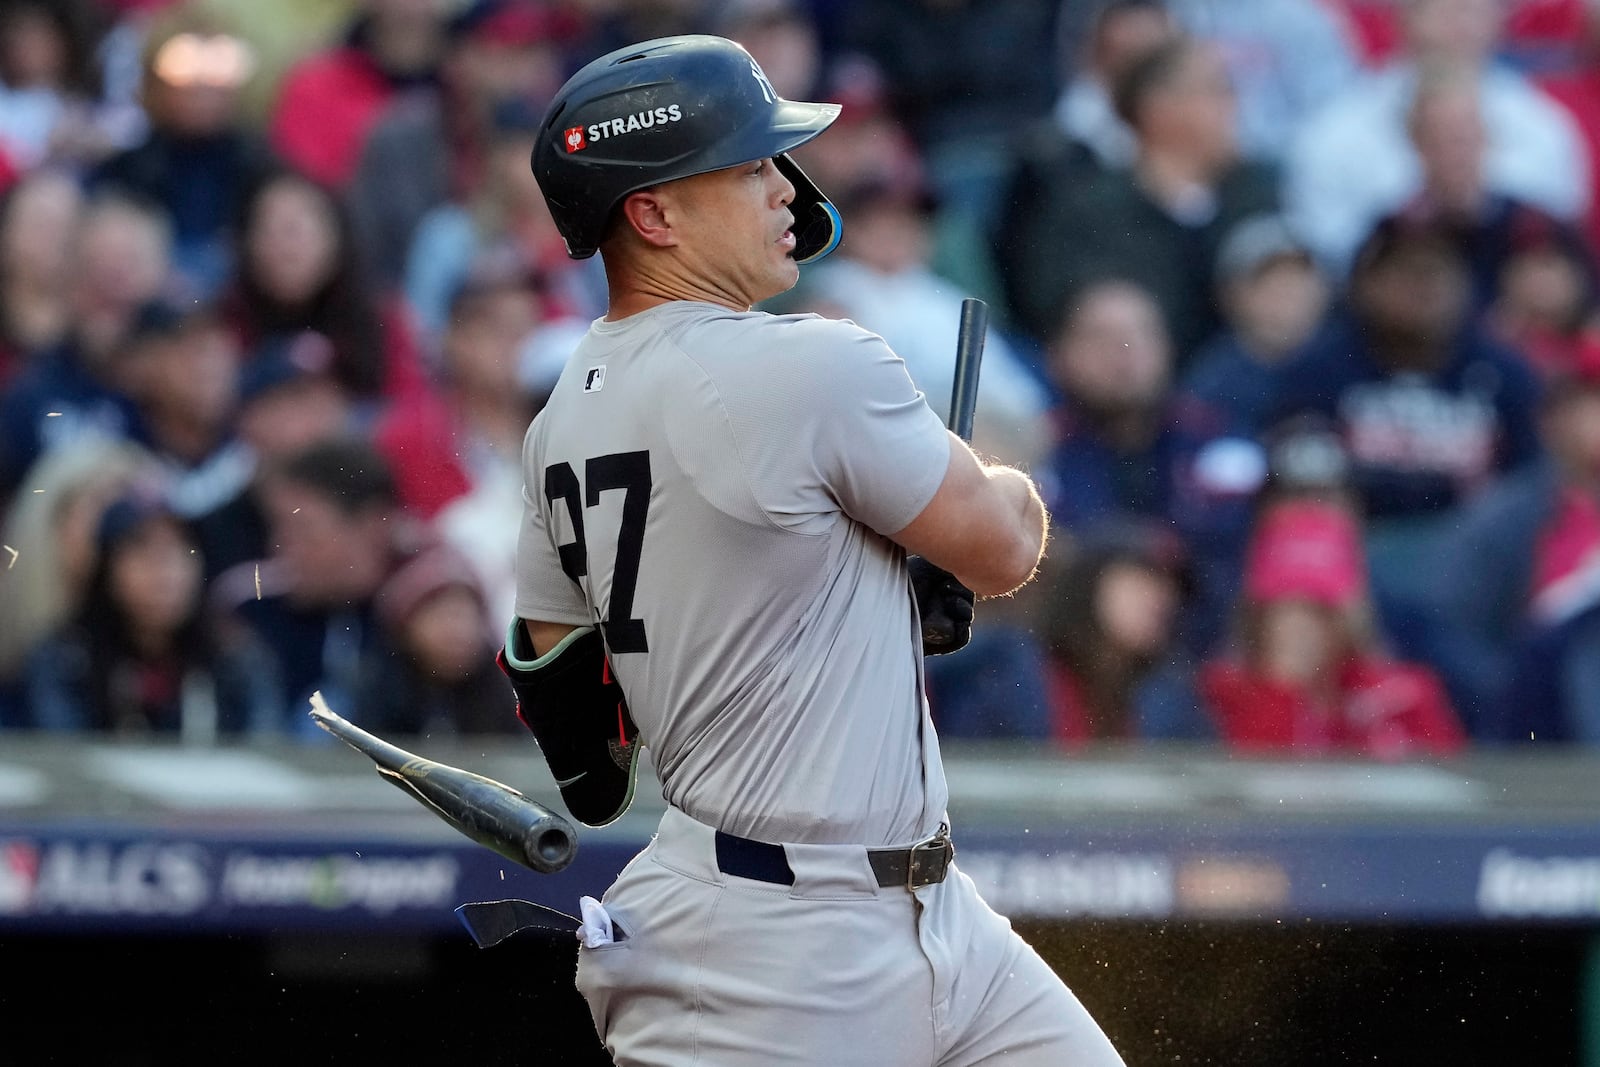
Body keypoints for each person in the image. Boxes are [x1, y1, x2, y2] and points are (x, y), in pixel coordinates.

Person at [504, 34, 1125, 1067]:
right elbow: (1006, 546)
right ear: (652, 215)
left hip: (927, 913)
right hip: (770, 952)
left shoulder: (558, 416)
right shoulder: (812, 363)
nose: (787, 188)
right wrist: (973, 486)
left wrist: (847, 573)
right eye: (748, 168)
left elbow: (583, 752)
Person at [1199, 495, 1465, 759]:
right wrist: (1281, 689)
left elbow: (1452, 779)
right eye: (1285, 609)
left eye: (1320, 610)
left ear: (1351, 619)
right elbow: (1251, 784)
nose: (1302, 627)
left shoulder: (1405, 697)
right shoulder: (1224, 695)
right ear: (1258, 618)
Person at [21, 485, 278, 738]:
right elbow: (61, 753)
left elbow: (263, 750)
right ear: (106, 569)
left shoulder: (235, 657)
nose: (165, 573)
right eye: (144, 552)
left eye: (181, 551)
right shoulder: (68, 660)